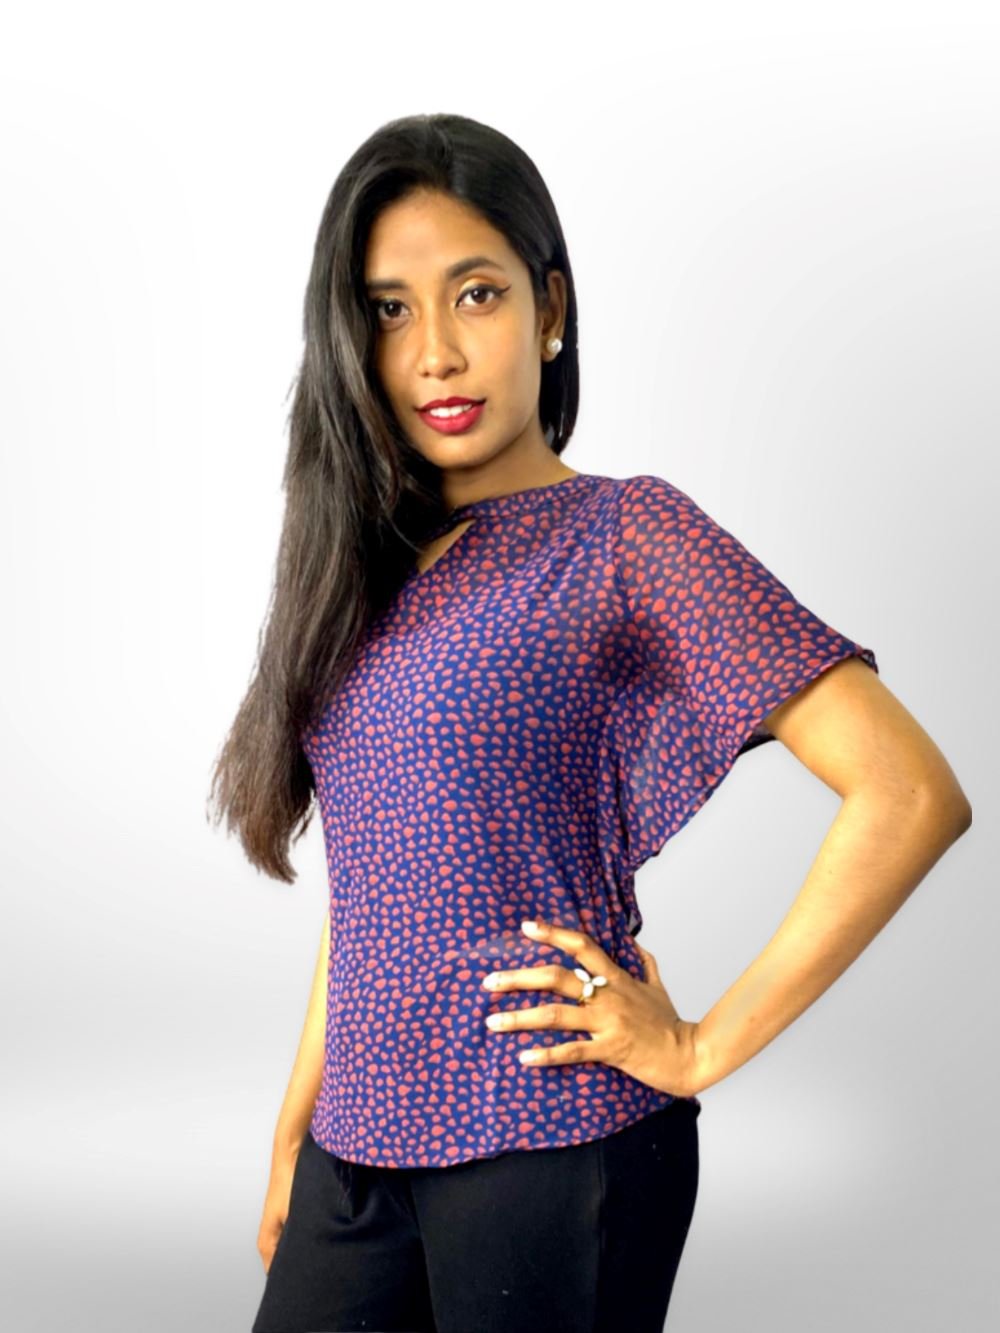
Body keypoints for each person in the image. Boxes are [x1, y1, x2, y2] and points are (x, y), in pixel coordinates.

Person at [208, 113, 973, 1333]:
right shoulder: (358, 570)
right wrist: (298, 1124)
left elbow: (910, 790)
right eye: (390, 309)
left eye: (476, 294)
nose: (436, 352)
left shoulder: (626, 535)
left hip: (549, 1138)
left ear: (549, 309)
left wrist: (700, 1047)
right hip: (357, 1150)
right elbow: (378, 882)